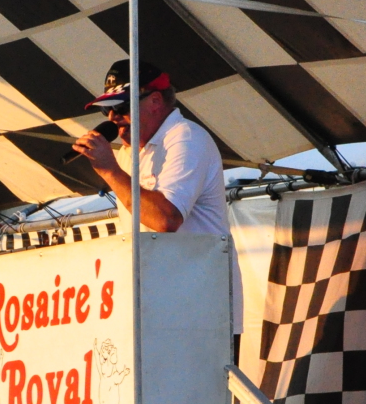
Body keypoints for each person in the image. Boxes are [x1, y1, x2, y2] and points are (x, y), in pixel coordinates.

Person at [68, 57, 239, 331]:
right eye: (106, 111)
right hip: (156, 304)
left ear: (155, 101)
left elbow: (165, 219)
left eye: (122, 108)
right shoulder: (128, 153)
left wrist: (111, 172)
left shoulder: (185, 137)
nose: (113, 118)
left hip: (199, 310)